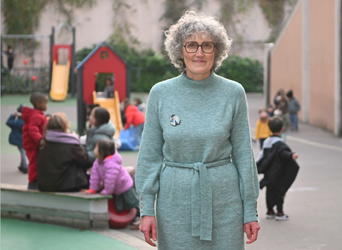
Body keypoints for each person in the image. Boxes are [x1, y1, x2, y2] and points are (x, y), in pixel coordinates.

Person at [136, 10, 260, 249]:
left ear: (218, 50)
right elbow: (149, 155)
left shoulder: (234, 93)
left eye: (207, 45)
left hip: (225, 202)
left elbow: (245, 155)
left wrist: (249, 210)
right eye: (191, 45)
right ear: (180, 50)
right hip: (174, 202)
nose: (199, 53)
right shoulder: (160, 93)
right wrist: (146, 209)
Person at [256, 117, 300, 221]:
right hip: (278, 173)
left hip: (269, 173)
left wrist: (255, 165)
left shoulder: (267, 141)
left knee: (269, 192)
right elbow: (283, 154)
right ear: (282, 129)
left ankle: (270, 211)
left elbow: (262, 155)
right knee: (279, 193)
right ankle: (280, 213)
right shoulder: (280, 144)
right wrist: (292, 155)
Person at [84, 139, 140, 216]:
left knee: (132, 202)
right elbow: (95, 177)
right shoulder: (98, 162)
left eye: (96, 148)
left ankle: (139, 217)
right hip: (116, 188)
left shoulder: (111, 164)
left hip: (125, 186)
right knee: (120, 207)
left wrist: (107, 191)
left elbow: (110, 180)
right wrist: (93, 189)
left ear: (102, 151)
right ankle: (129, 219)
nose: (94, 150)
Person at [37, 113, 88, 192]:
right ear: (65, 126)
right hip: (66, 187)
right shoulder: (70, 143)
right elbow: (84, 158)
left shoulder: (45, 141)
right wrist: (76, 139)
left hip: (45, 185)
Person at [21, 92, 48, 190]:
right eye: (45, 103)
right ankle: (32, 182)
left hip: (35, 145)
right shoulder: (36, 116)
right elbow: (32, 130)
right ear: (39, 103)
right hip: (33, 146)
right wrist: (40, 139)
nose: (46, 105)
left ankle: (36, 180)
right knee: (34, 164)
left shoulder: (38, 115)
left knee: (37, 163)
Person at [6, 105, 28, 173]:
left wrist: (13, 115)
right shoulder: (26, 122)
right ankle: (22, 165)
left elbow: (8, 122)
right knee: (23, 152)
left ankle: (25, 167)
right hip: (25, 140)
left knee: (23, 153)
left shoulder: (16, 123)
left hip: (19, 140)